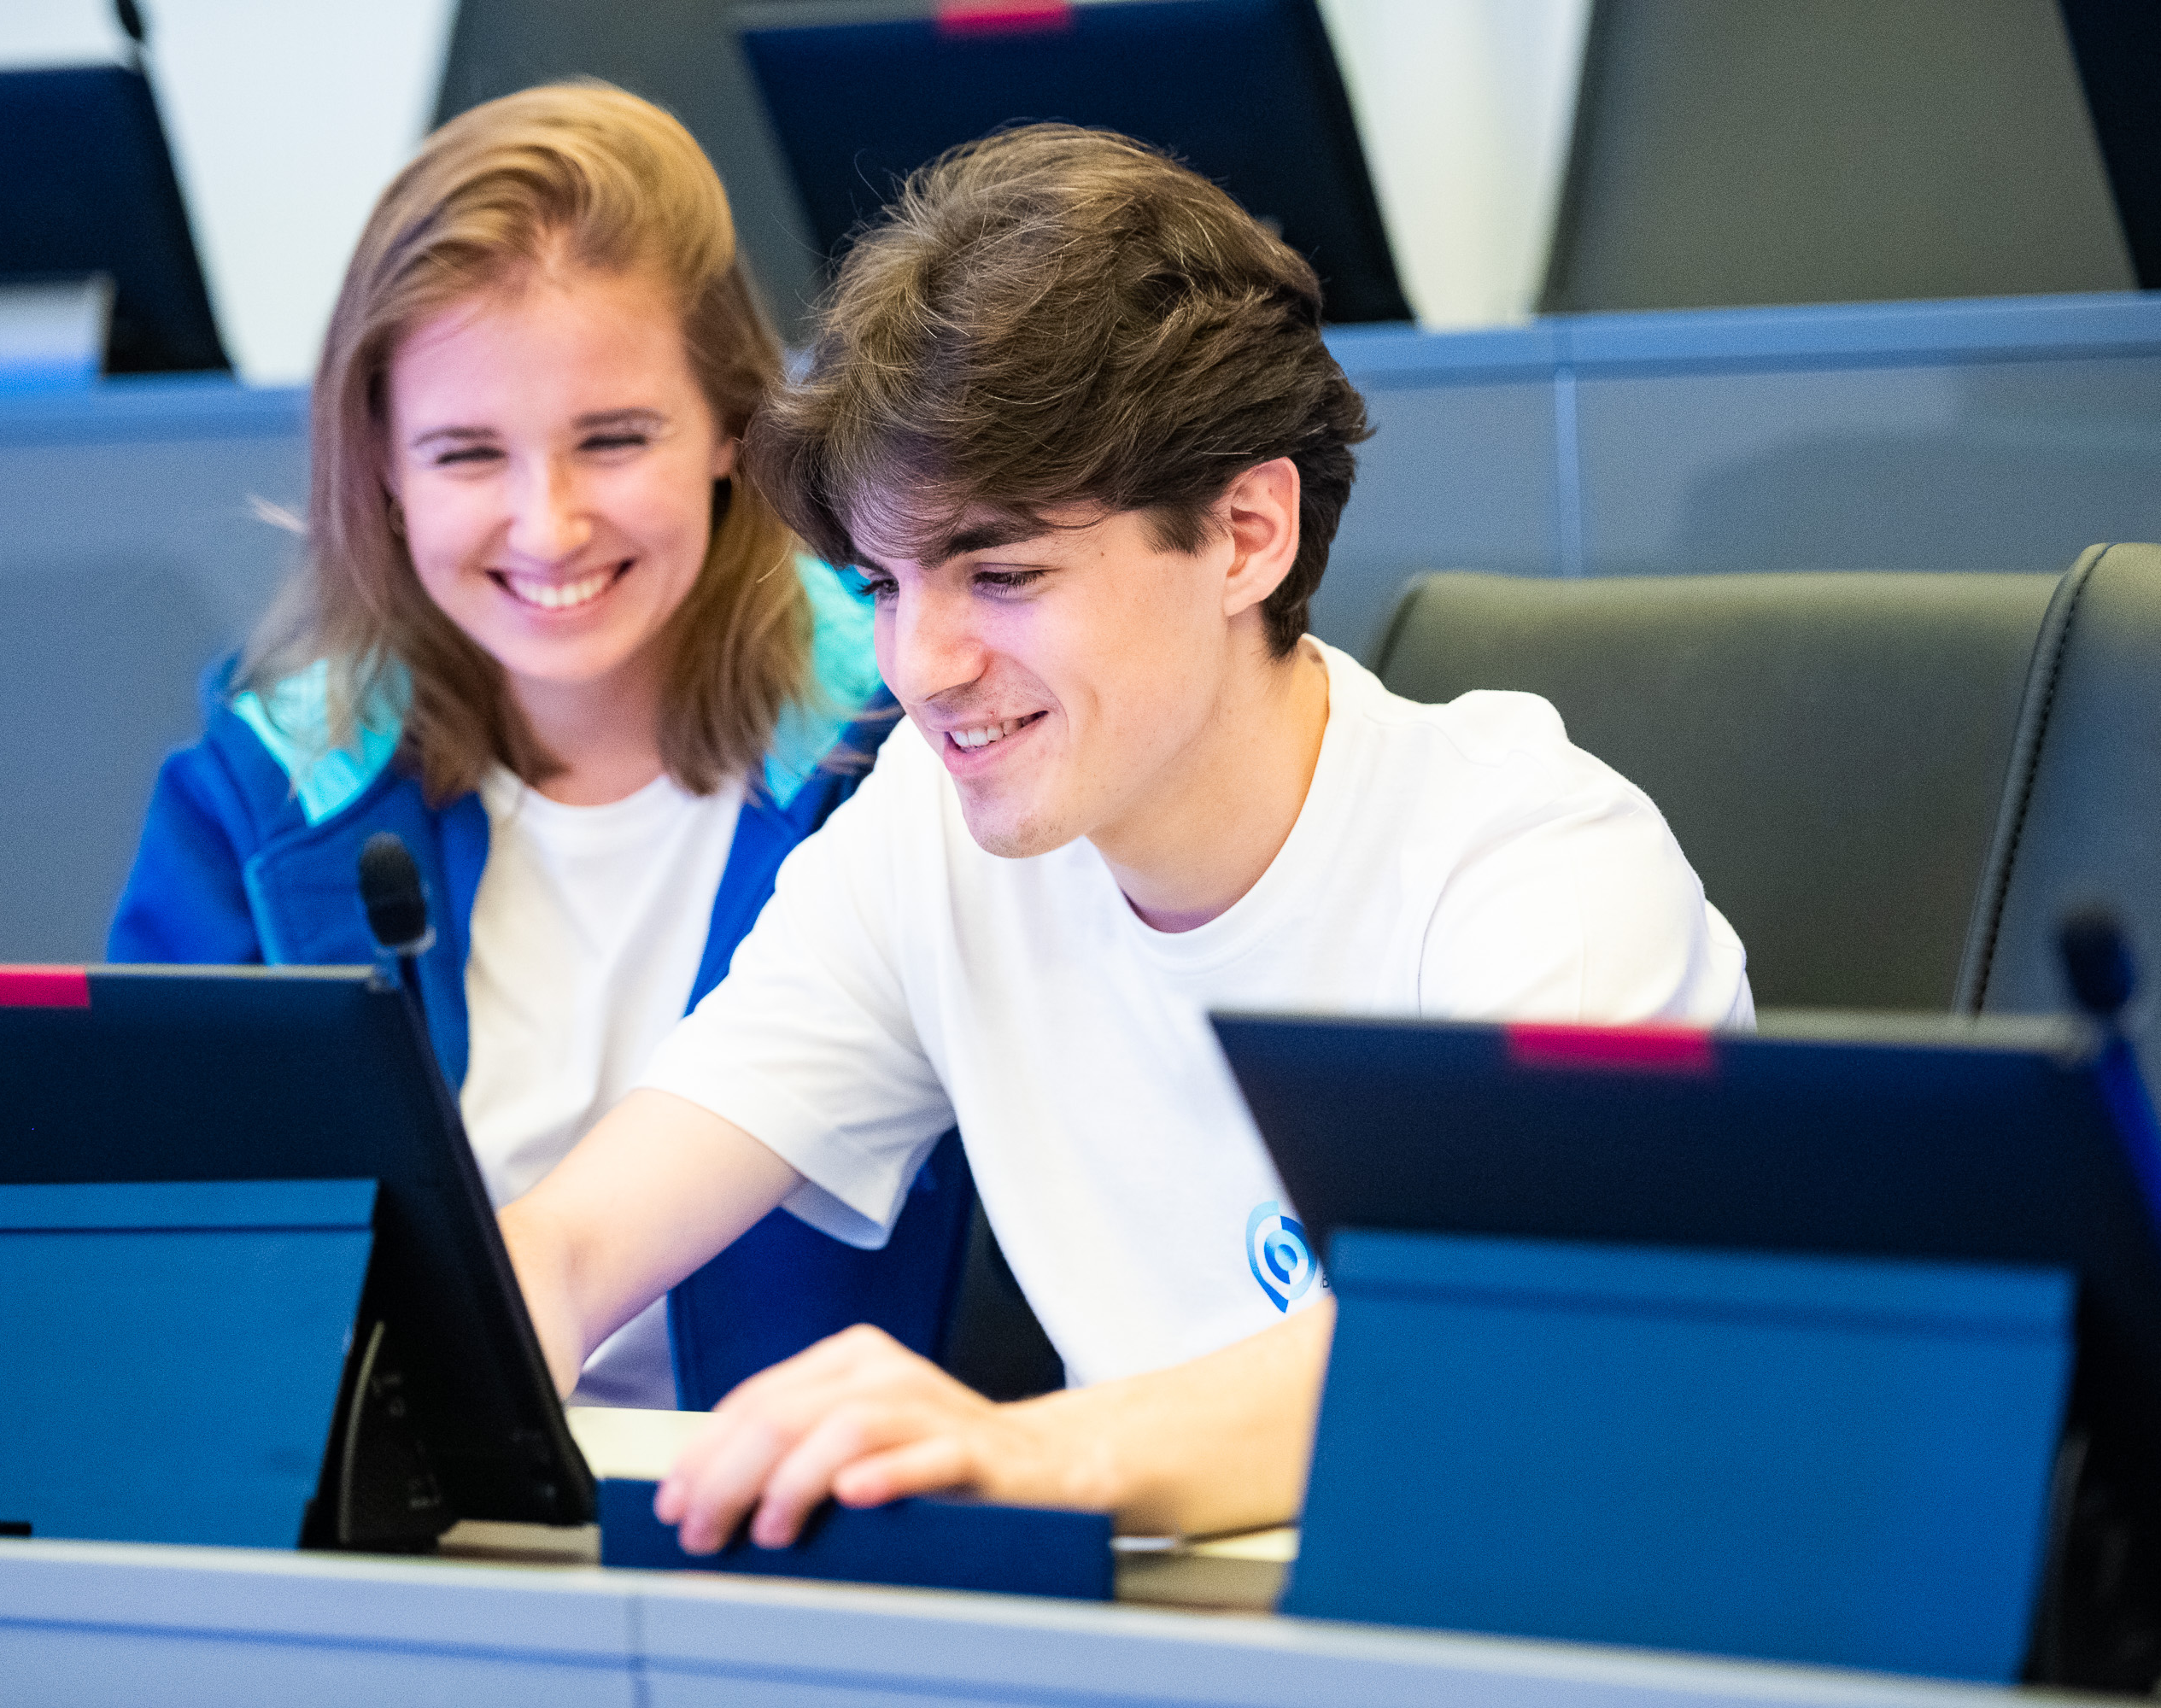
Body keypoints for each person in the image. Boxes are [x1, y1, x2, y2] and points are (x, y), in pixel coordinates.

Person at [500, 120, 1754, 1544]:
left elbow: (1483, 1352)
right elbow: (581, 1241)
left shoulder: (1543, 871)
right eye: (887, 586)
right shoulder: (929, 825)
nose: (920, 667)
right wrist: (475, 1324)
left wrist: (1021, 1453)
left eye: (1003, 573)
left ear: (1246, 534)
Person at [108, 81, 974, 1411]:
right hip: (410, 1491)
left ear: (733, 428)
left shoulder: (923, 738)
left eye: (613, 439)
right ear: (381, 467)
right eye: (467, 454)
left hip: (806, 1499)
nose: (549, 524)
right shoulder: (264, 791)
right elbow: (153, 1247)